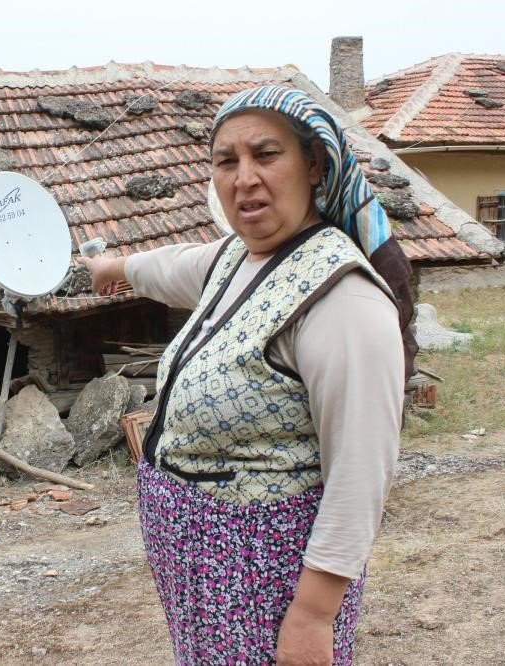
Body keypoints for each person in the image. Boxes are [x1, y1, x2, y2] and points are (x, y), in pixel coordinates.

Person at [79, 85, 413, 665]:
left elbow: (360, 476)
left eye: (266, 155)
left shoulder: (344, 303)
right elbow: (169, 266)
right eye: (226, 161)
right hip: (205, 570)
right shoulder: (239, 256)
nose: (244, 178)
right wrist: (112, 267)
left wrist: (313, 617)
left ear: (314, 164)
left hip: (268, 577)